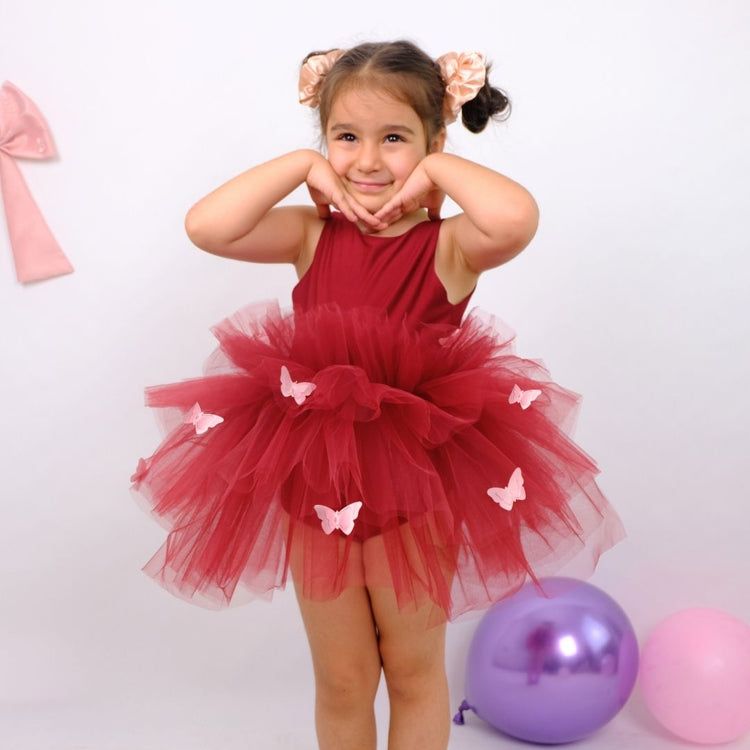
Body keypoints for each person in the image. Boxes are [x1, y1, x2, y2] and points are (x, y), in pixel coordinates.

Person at [131, 40, 624, 750]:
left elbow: (515, 217)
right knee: (341, 679)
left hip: (414, 484)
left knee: (412, 670)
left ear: (433, 141)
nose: (366, 160)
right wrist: (303, 165)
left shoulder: (449, 248)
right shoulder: (309, 236)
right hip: (311, 475)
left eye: (394, 138)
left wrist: (436, 170)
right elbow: (206, 225)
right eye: (345, 138)